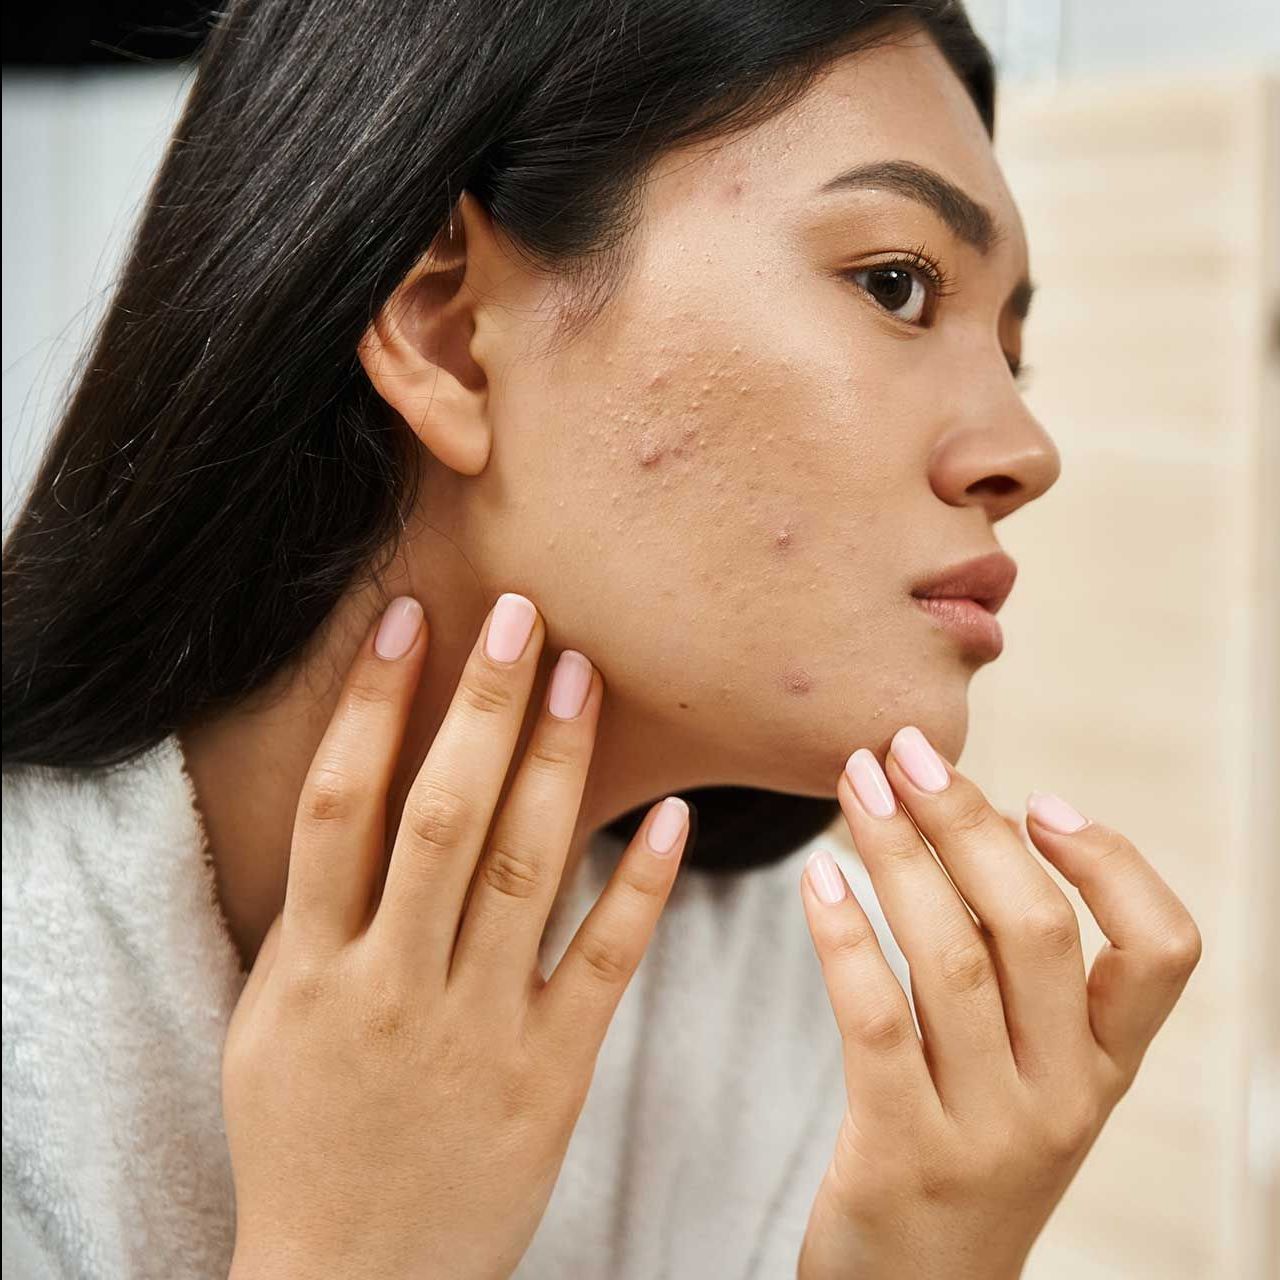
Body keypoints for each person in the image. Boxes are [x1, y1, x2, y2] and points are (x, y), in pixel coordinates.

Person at [1, 1, 1203, 1277]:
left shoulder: (791, 1025)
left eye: (1012, 354)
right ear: (448, 330)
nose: (1023, 451)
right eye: (895, 286)